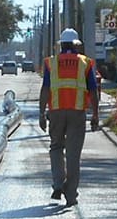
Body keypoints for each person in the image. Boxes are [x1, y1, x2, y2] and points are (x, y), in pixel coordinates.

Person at [38, 28, 100, 208]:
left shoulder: (52, 63)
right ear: (76, 45)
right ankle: (71, 196)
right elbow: (93, 90)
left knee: (56, 147)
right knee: (73, 155)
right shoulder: (85, 63)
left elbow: (45, 89)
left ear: (61, 45)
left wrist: (41, 113)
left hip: (56, 112)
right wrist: (95, 115)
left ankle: (58, 183)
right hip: (77, 113)